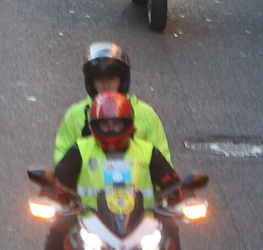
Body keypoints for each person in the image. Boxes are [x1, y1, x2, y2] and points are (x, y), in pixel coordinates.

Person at [47, 93, 183, 250]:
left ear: (128, 123)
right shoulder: (81, 149)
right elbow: (60, 178)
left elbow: (170, 180)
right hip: (87, 224)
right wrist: (50, 191)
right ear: (94, 125)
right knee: (58, 229)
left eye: (116, 123)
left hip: (144, 225)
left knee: (170, 229)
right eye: (105, 124)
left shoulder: (148, 151)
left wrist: (183, 195)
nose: (111, 129)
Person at [53, 43, 170, 164]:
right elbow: (61, 156)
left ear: (122, 81)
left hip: (137, 181)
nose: (106, 85)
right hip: (90, 181)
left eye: (112, 78)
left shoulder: (146, 114)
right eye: (99, 79)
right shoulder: (75, 115)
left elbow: (162, 157)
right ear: (91, 83)